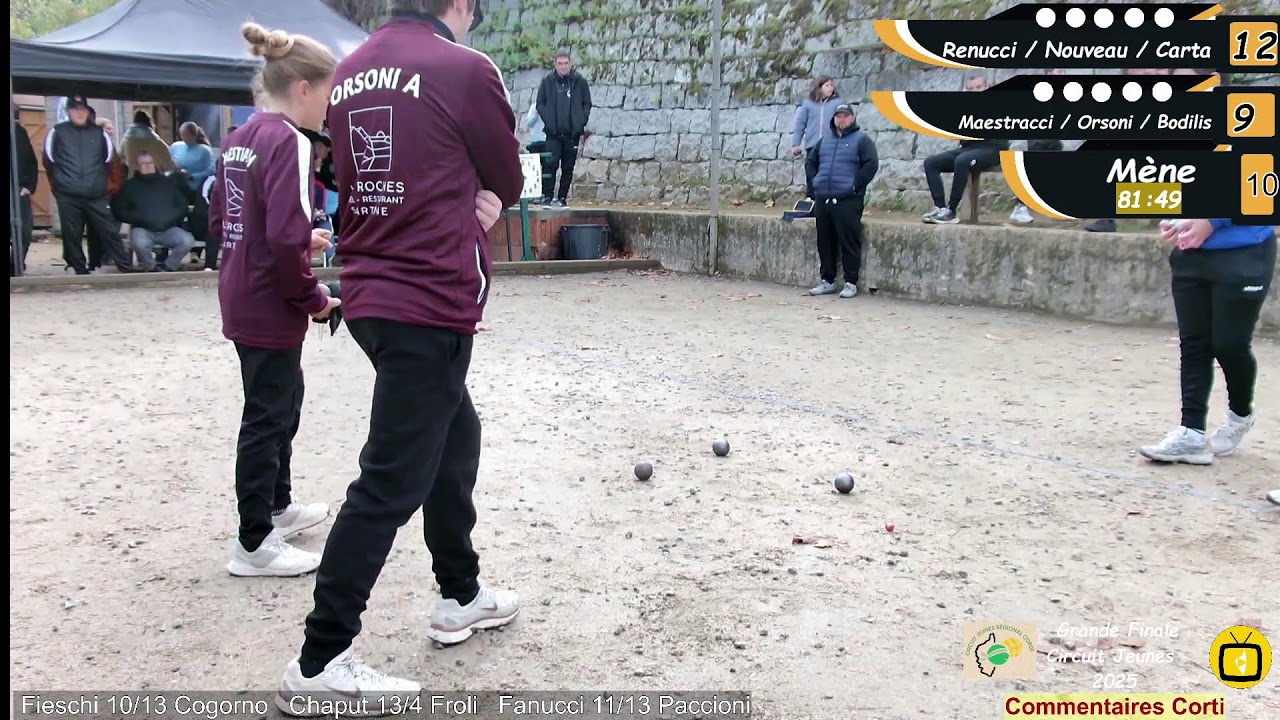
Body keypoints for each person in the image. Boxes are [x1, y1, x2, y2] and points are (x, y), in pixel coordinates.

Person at [275, 0, 525, 707]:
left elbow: (352, 177)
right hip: (428, 298)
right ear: (459, 4)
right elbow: (505, 174)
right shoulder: (465, 67)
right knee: (390, 481)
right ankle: (321, 659)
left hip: (371, 295)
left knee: (454, 435)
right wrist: (484, 196)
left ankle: (460, 594)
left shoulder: (348, 71)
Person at [208, 23, 342, 579]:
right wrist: (314, 298)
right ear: (306, 88)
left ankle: (277, 505)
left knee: (283, 399)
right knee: (267, 415)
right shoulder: (290, 140)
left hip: (241, 288)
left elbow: (225, 218)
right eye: (330, 92)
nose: (329, 107)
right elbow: (286, 239)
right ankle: (253, 541)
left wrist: (290, 241)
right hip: (270, 300)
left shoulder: (241, 136)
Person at [1139, 219, 1275, 464]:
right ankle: (1191, 433)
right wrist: (1174, 218)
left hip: (1244, 250)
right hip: (1190, 253)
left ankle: (1240, 415)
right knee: (1193, 344)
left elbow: (1262, 190)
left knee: (1229, 345)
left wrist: (1212, 222)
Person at [42, 95, 133, 275]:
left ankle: (125, 268)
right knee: (72, 234)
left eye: (82, 109)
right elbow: (48, 160)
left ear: (88, 111)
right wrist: (60, 185)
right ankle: (79, 269)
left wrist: (107, 187)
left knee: (109, 231)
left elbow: (110, 161)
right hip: (68, 193)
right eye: (75, 109)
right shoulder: (57, 132)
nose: (79, 113)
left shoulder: (99, 134)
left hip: (96, 193)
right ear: (68, 111)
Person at [804, 103, 879, 298]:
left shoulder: (862, 140)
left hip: (847, 200)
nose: (842, 119)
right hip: (824, 198)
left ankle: (850, 282)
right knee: (825, 241)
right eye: (839, 116)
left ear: (852, 118)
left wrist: (855, 185)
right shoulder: (824, 140)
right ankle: (827, 280)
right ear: (834, 118)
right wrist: (814, 185)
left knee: (849, 241)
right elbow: (811, 162)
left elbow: (871, 164)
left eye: (845, 116)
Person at [920, 74, 1009, 225]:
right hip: (969, 149)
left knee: (962, 160)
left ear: (987, 87)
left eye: (978, 88)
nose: (975, 92)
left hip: (993, 149)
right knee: (931, 163)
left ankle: (951, 210)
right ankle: (940, 208)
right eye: (970, 89)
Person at [111, 151, 197, 272]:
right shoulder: (129, 186)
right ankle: (151, 267)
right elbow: (119, 210)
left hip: (169, 229)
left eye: (150, 162)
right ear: (137, 166)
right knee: (139, 243)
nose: (147, 166)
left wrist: (172, 218)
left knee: (187, 241)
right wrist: (139, 218)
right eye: (143, 163)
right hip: (142, 229)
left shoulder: (168, 182)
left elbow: (182, 205)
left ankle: (169, 266)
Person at [535, 49, 591, 207]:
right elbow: (540, 103)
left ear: (570, 64)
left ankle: (562, 198)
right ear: (555, 64)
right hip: (553, 133)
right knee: (550, 164)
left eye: (566, 63)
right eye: (560, 63)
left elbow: (587, 102)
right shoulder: (547, 82)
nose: (563, 67)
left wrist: (581, 121)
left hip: (572, 133)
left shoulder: (580, 81)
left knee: (568, 167)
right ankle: (547, 196)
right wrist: (549, 121)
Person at [790, 75, 841, 199]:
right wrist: (796, 144)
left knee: (828, 173)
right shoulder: (808, 104)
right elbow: (800, 124)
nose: (830, 88)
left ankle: (828, 199)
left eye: (831, 85)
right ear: (819, 88)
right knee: (811, 171)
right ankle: (811, 197)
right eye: (827, 85)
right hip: (812, 144)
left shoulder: (838, 103)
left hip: (830, 144)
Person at [13, 119, 38, 275]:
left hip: (17, 190)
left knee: (24, 230)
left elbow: (31, 161)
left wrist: (29, 186)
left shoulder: (18, 132)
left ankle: (15, 265)